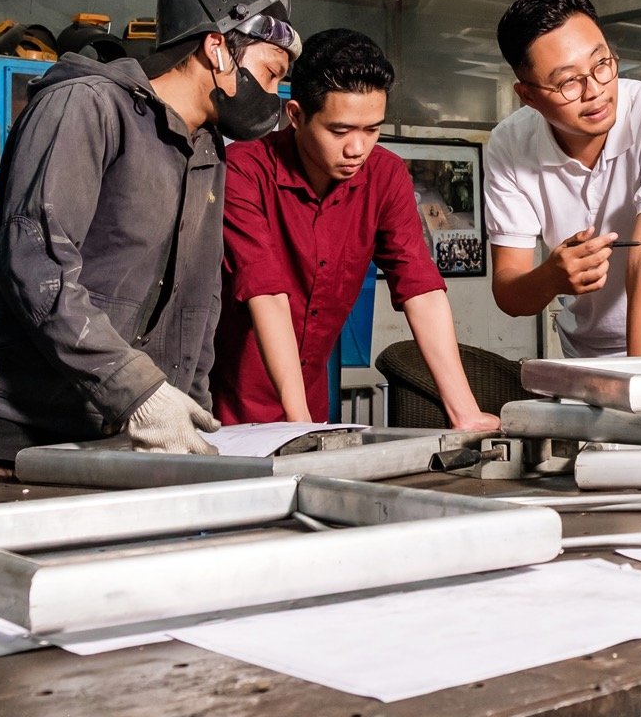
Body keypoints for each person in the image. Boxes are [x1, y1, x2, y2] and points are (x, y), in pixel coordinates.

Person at [0, 0, 303, 481]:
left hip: (90, 434)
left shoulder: (206, 151)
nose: (274, 92)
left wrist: (188, 415)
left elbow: (196, 301)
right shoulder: (85, 107)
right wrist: (137, 392)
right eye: (269, 71)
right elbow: (34, 265)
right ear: (219, 49)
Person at [211, 29, 501, 431]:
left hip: (313, 409)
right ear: (295, 115)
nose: (357, 149)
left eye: (372, 130)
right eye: (340, 131)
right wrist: (299, 427)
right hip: (223, 411)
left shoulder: (386, 176)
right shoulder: (244, 170)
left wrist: (465, 413)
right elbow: (267, 295)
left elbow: (421, 290)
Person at [485, 0, 641, 357]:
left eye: (602, 64)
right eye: (568, 81)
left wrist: (637, 388)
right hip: (585, 357)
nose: (595, 91)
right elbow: (509, 293)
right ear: (529, 96)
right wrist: (551, 277)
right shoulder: (510, 145)